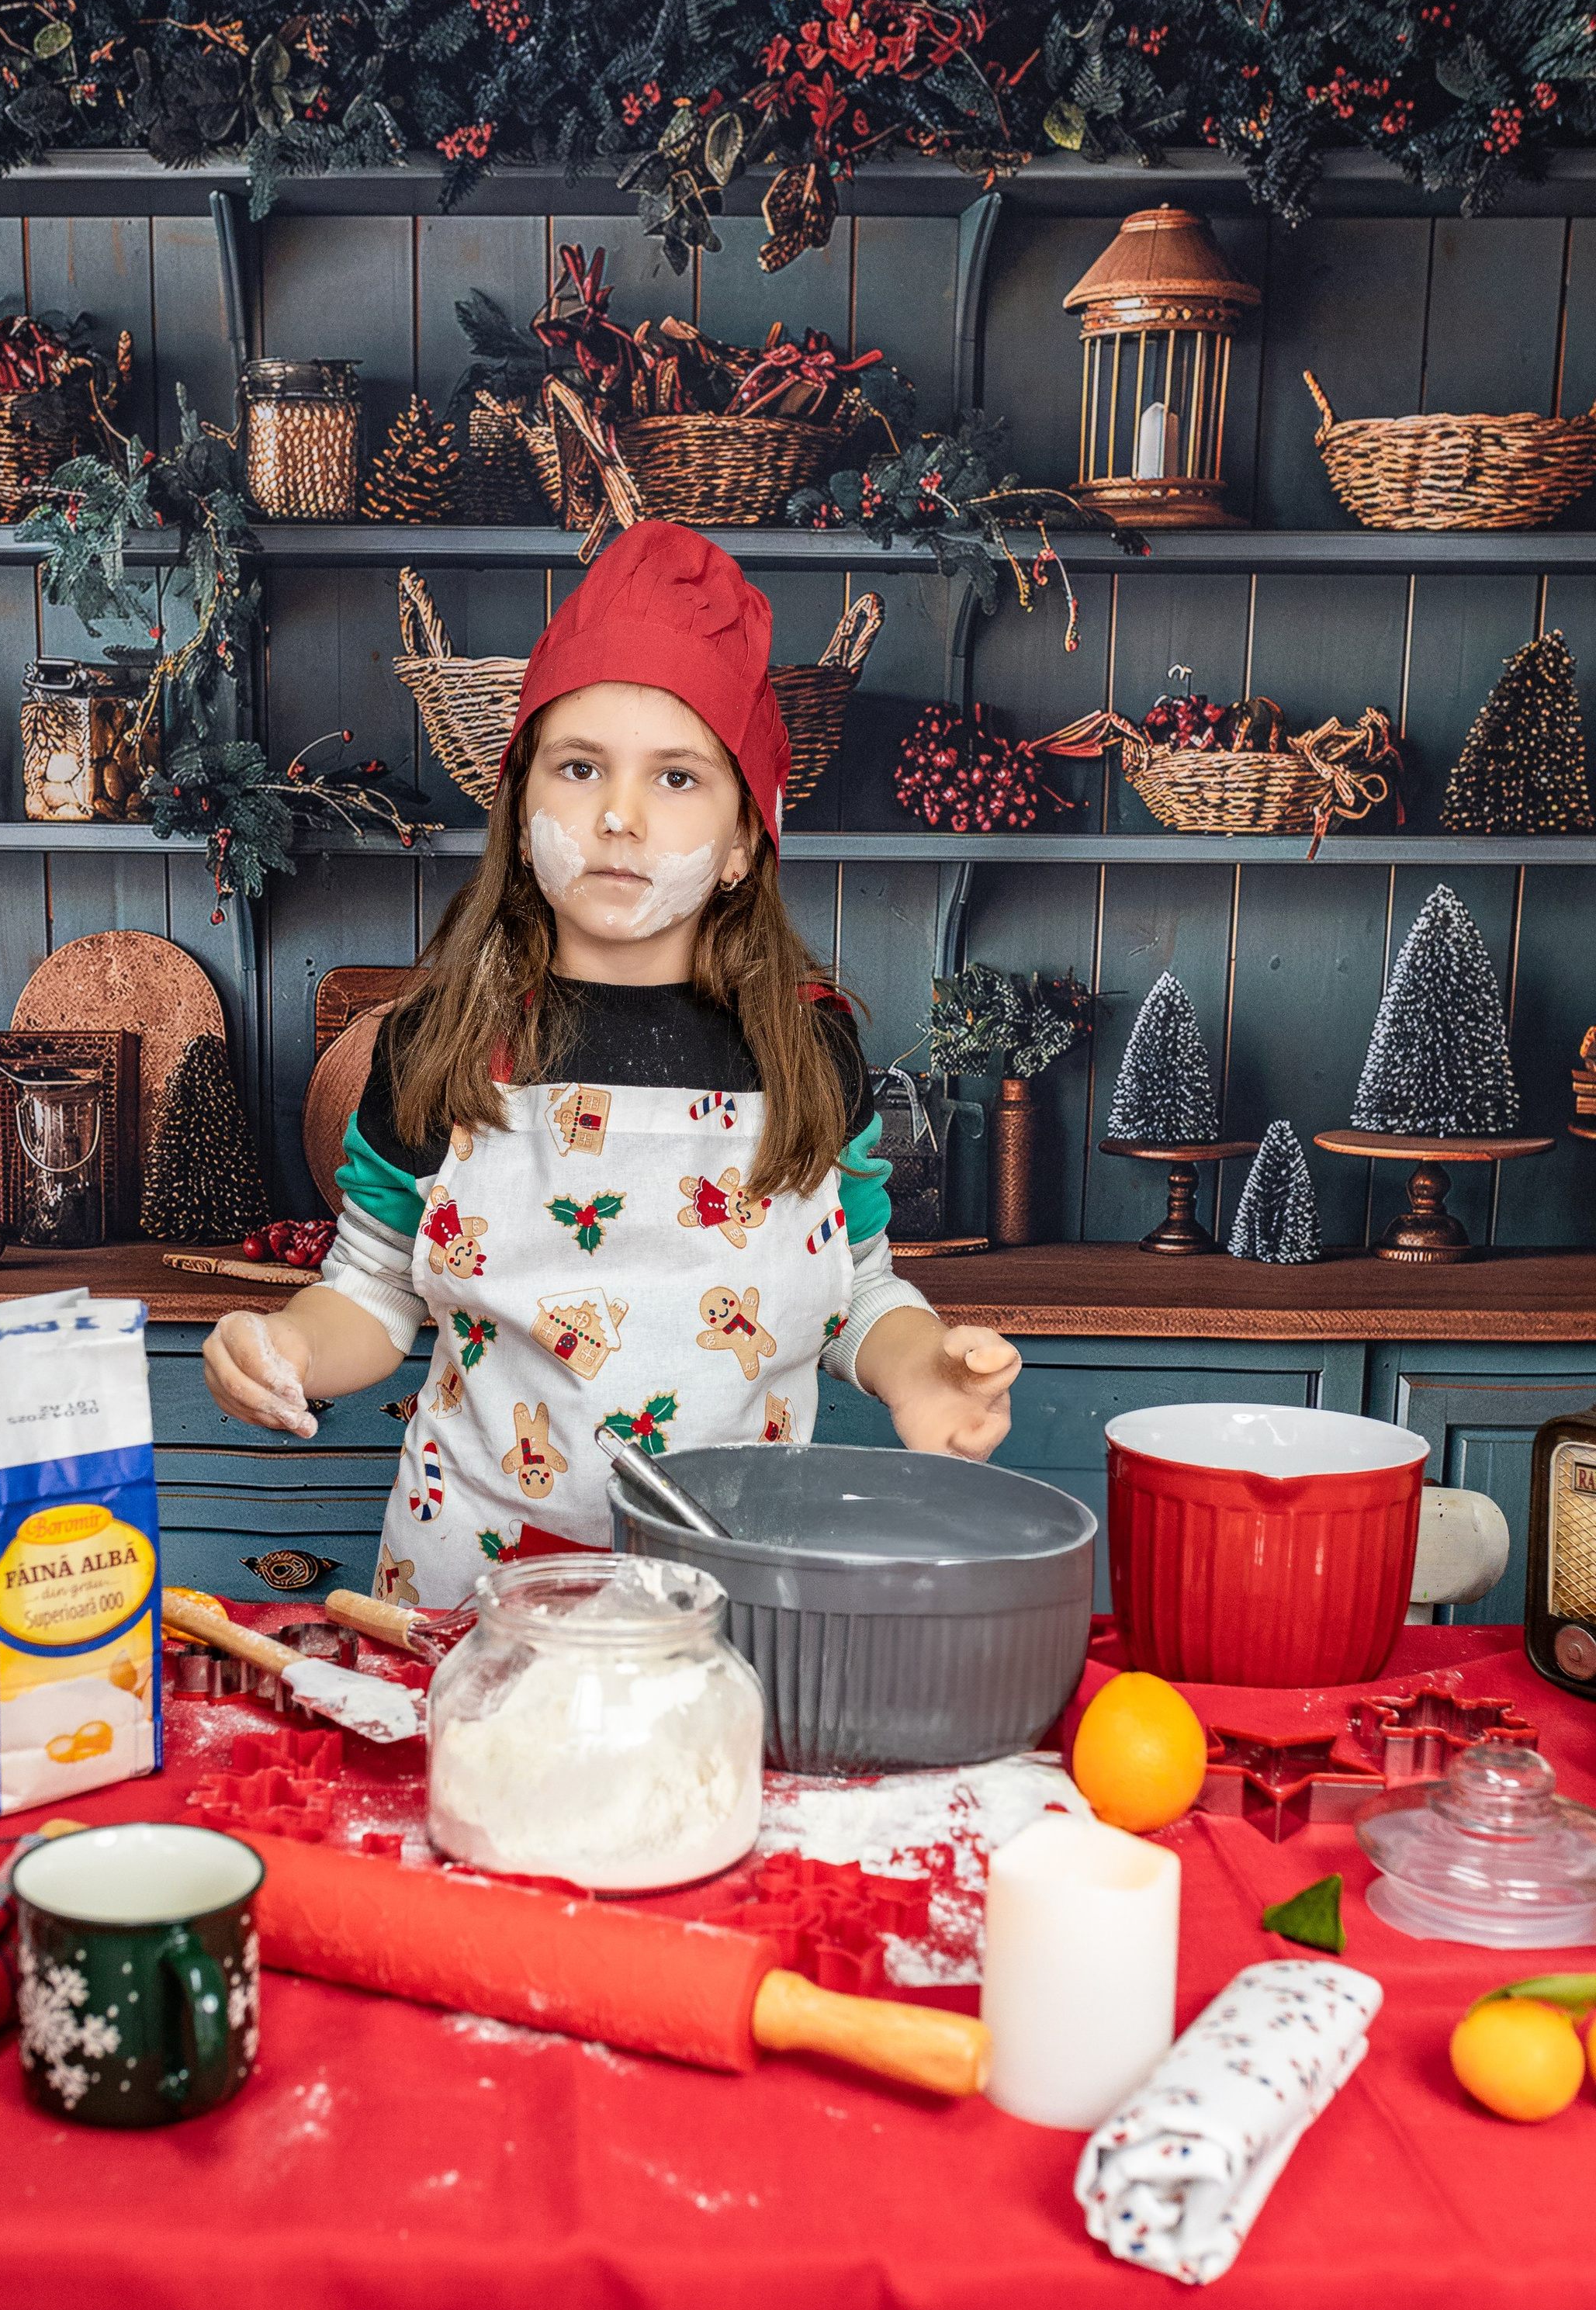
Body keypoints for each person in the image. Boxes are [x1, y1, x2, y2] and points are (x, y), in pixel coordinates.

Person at [204, 521, 1022, 1608]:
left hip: (729, 1603)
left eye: (677, 778)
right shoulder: (436, 1042)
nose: (620, 815)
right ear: (525, 805)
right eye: (579, 767)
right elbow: (370, 1288)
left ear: (744, 840)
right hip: (471, 1607)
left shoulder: (810, 1055)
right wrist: (283, 1347)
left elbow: (857, 1288)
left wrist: (919, 1370)